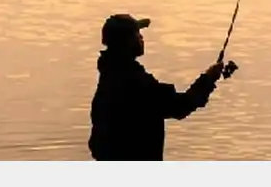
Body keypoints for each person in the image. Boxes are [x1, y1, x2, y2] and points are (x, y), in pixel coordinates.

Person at [88, 13, 228, 161]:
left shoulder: (110, 76)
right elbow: (180, 106)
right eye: (137, 34)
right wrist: (208, 78)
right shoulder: (135, 82)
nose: (141, 38)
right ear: (126, 42)